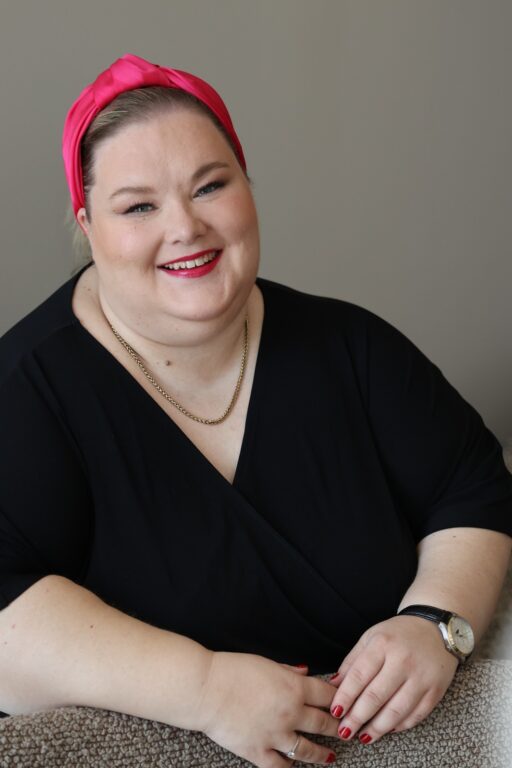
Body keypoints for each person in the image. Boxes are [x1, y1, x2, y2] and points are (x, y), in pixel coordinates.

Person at [0, 53, 511, 768]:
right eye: (139, 206)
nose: (185, 227)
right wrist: (203, 689)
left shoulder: (351, 346)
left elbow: (473, 484)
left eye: (210, 186)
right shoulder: (25, 391)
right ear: (87, 224)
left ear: (246, 185)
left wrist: (436, 621)